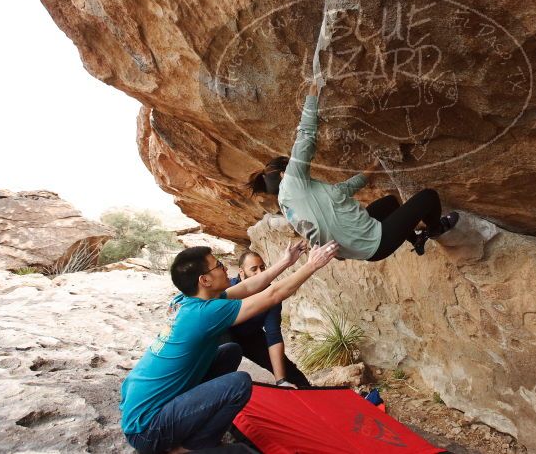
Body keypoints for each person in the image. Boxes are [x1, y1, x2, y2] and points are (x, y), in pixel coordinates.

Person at [119, 239, 339, 454]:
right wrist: (313, 265)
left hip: (143, 408)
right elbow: (273, 294)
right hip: (147, 429)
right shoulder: (204, 314)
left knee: (230, 352)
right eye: (219, 265)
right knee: (239, 383)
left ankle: (188, 426)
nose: (225, 269)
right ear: (204, 280)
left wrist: (286, 262)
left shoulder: (186, 301)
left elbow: (248, 286)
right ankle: (191, 447)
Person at [248, 78, 459, 261]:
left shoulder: (289, 207)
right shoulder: (292, 183)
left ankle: (416, 239)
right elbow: (305, 137)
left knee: (390, 203)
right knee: (428, 197)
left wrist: (373, 167)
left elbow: (344, 190)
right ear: (285, 172)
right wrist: (312, 94)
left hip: (361, 248)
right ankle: (434, 230)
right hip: (376, 242)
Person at [228, 249, 310, 388]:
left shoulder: (271, 294)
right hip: (225, 336)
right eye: (254, 269)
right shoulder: (230, 289)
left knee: (294, 376)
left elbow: (274, 335)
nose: (260, 273)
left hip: (251, 337)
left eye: (262, 267)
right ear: (241, 272)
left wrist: (281, 380)